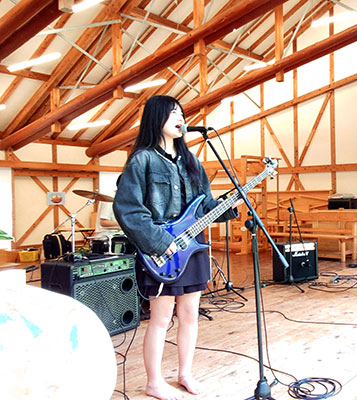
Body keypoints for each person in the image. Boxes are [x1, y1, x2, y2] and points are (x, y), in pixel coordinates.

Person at [113, 95, 243, 400]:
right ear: (155, 117)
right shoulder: (142, 160)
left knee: (190, 315)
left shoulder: (192, 162)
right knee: (160, 319)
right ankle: (154, 382)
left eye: (181, 113)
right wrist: (160, 242)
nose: (180, 118)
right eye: (173, 113)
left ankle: (185, 373)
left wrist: (228, 205)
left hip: (192, 248)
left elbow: (203, 207)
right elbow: (128, 209)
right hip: (162, 251)